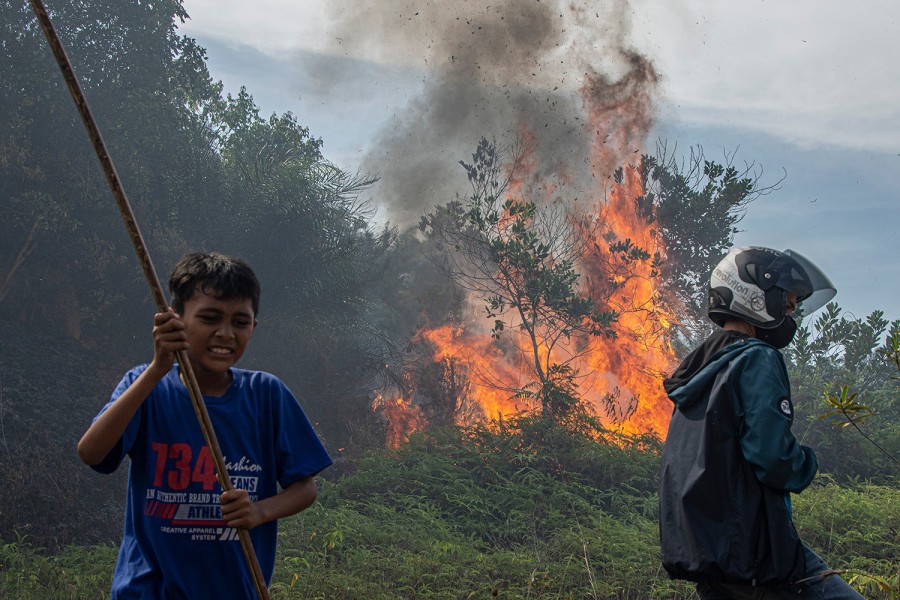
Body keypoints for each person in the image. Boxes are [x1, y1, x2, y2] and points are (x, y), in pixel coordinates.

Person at [78, 252, 332, 598]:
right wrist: (157, 368)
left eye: (240, 322)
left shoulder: (266, 394)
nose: (225, 334)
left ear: (254, 327)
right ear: (176, 319)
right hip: (148, 591)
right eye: (210, 318)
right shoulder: (146, 386)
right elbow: (91, 453)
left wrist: (259, 511)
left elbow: (305, 488)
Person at [658, 246, 864, 599]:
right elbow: (773, 458)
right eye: (788, 305)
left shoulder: (698, 372)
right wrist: (806, 461)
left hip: (706, 553)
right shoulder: (756, 358)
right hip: (752, 553)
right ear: (756, 295)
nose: (790, 316)